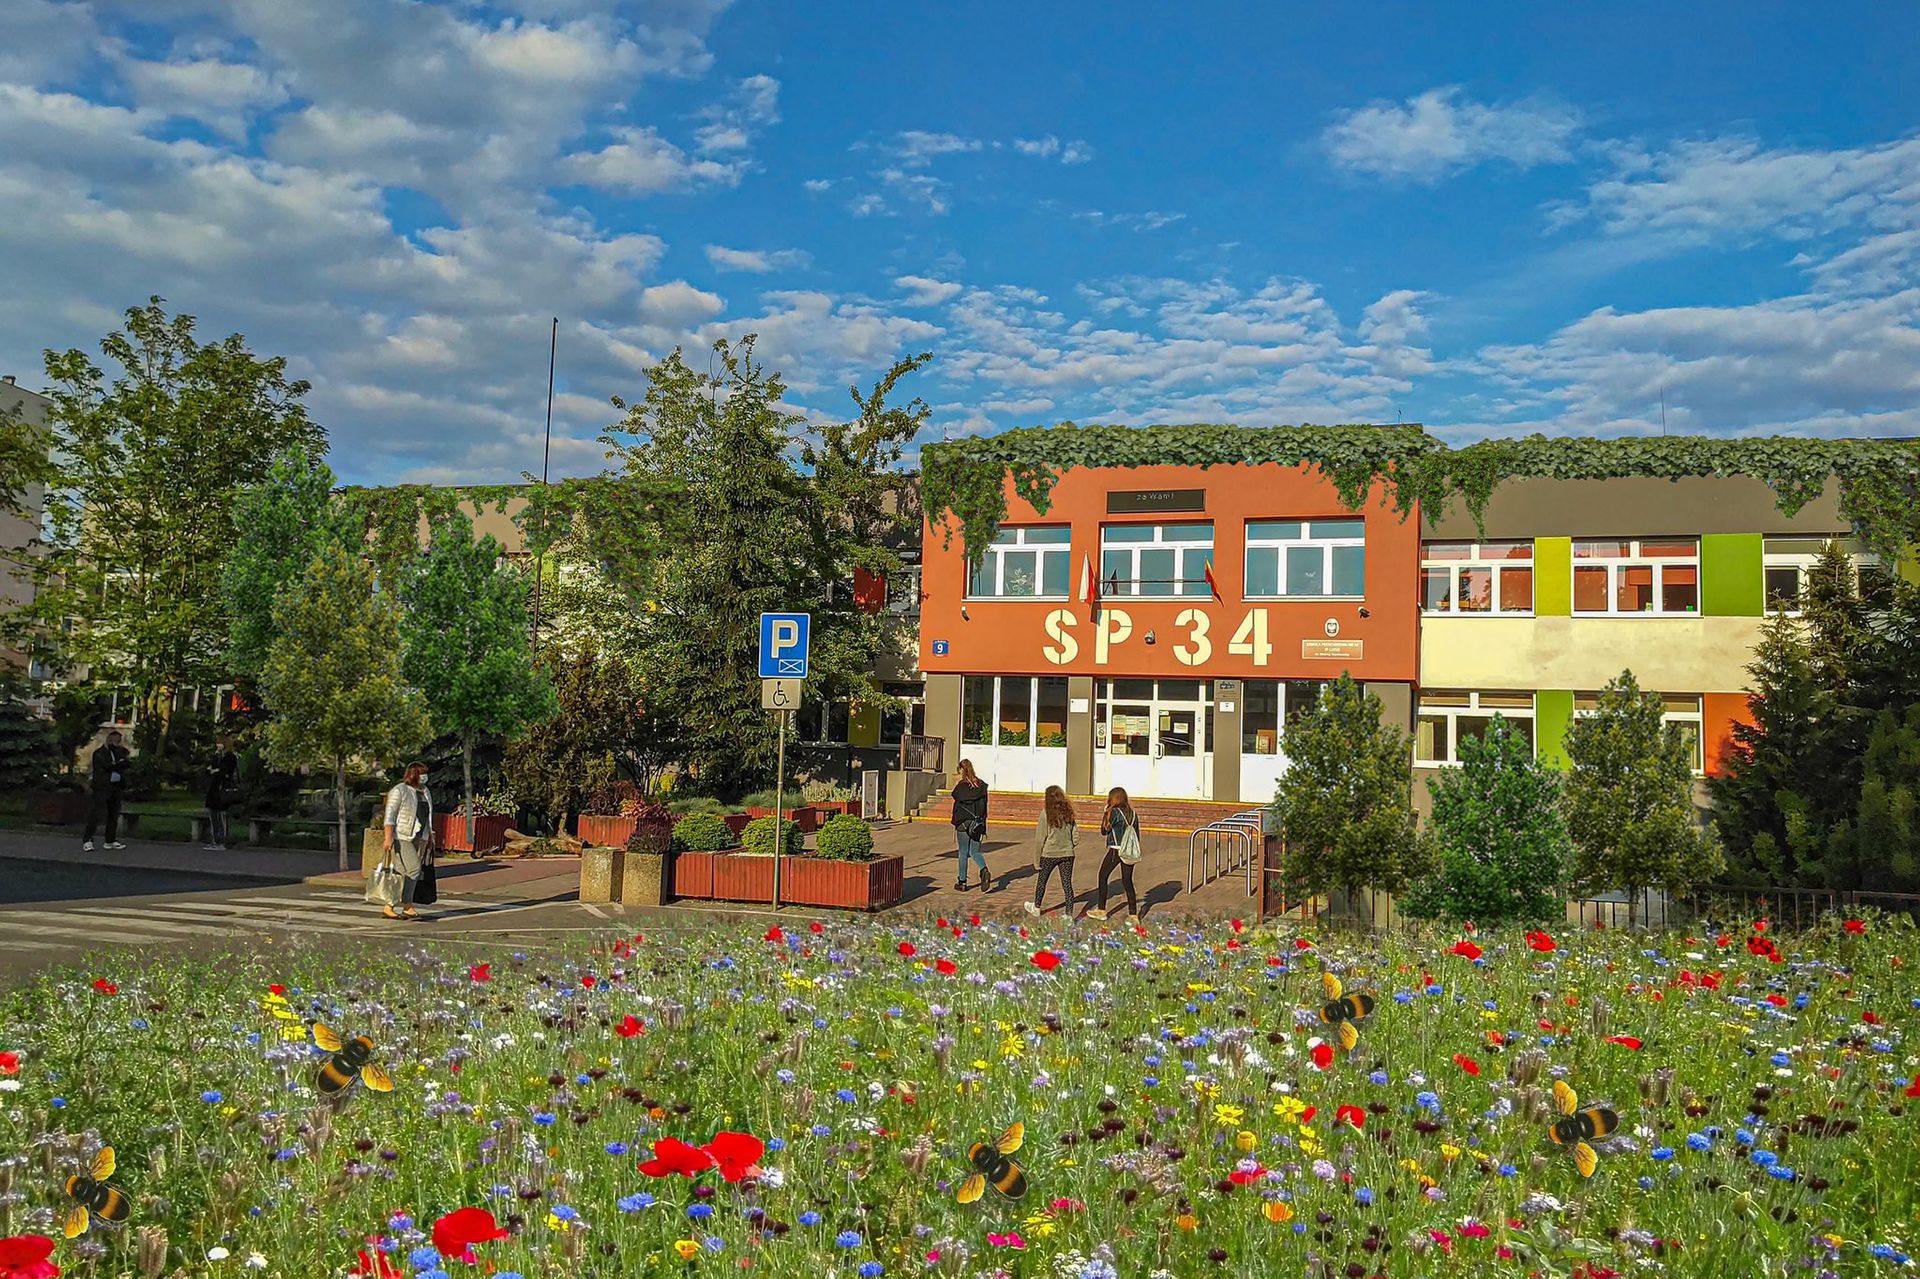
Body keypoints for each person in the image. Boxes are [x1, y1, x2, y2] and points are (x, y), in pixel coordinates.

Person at [380, 762, 435, 921]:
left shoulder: (425, 791)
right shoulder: (400, 790)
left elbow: (428, 816)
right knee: (414, 869)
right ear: (414, 774)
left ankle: (389, 906)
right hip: (401, 836)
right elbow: (390, 816)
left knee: (402, 872)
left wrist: (430, 836)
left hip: (417, 835)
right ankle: (408, 905)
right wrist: (388, 837)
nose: (425, 777)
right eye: (422, 773)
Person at [1024, 785, 1078, 919]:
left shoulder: (1045, 814)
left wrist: (1037, 860)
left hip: (1049, 854)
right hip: (1067, 853)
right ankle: (1069, 914)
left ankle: (1036, 907)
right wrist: (1068, 845)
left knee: (1042, 881)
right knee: (1067, 884)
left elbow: (1040, 839)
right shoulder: (1068, 812)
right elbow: (1076, 836)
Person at [1088, 787, 1141, 921]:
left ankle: (1101, 910)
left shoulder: (1114, 812)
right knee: (1127, 880)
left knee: (1103, 876)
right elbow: (1136, 834)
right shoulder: (1133, 813)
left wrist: (1106, 813)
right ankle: (1133, 914)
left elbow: (1104, 831)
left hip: (1116, 849)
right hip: (1129, 849)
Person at [81, 729, 131, 852]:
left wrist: (118, 763)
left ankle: (110, 840)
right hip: (102, 786)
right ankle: (88, 839)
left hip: (116, 786)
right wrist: (117, 764)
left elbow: (126, 762)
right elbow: (105, 766)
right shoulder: (99, 753)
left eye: (119, 741)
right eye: (115, 740)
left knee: (113, 814)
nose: (117, 743)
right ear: (109, 739)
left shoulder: (120, 752)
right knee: (96, 813)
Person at [950, 759, 990, 892]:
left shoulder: (960, 787)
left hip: (963, 822)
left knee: (963, 852)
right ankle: (984, 870)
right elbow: (984, 807)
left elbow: (956, 800)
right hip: (977, 823)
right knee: (975, 851)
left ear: (962, 770)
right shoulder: (982, 786)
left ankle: (962, 882)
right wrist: (983, 823)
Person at [203, 738, 240, 852]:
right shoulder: (219, 757)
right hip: (215, 790)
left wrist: (216, 771)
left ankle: (222, 841)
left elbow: (225, 771)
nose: (217, 746)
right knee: (213, 815)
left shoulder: (230, 757)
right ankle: (216, 840)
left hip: (222, 790)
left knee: (220, 816)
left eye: (220, 744)